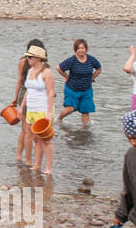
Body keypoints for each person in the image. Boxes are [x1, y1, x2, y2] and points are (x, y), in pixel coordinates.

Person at [17, 43, 57, 175]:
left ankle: (48, 168)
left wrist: (49, 113)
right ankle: (37, 165)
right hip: (31, 110)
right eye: (27, 57)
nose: (27, 59)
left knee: (46, 140)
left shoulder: (47, 73)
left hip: (42, 109)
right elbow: (28, 91)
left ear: (38, 58)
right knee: (35, 139)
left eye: (30, 57)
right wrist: (22, 106)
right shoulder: (30, 71)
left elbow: (51, 93)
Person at [12, 37, 44, 167]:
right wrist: (15, 97)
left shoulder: (41, 65)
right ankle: (24, 158)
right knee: (27, 130)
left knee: (26, 130)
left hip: (35, 94)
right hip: (26, 94)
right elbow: (20, 80)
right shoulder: (23, 62)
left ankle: (20, 156)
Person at [57, 38, 102, 125]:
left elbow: (99, 69)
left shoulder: (91, 60)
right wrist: (66, 76)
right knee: (71, 108)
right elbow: (59, 68)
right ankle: (59, 119)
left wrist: (92, 78)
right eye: (78, 48)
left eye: (83, 48)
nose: (81, 50)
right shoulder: (72, 60)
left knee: (85, 111)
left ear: (86, 49)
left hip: (86, 90)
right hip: (72, 89)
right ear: (75, 50)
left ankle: (85, 133)